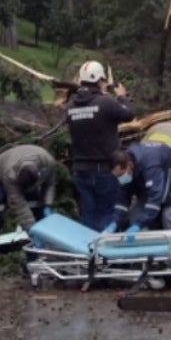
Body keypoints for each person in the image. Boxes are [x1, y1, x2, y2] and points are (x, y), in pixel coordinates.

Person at [65, 59, 134, 230]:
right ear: (99, 80)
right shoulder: (105, 102)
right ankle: (103, 252)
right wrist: (121, 97)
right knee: (106, 212)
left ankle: (87, 251)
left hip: (80, 169)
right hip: (103, 168)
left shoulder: (70, 106)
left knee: (88, 212)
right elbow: (129, 114)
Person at [0, 144, 56, 289]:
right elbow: (21, 209)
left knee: (37, 214)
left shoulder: (48, 162)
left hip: (30, 177)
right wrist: (33, 232)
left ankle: (33, 264)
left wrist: (47, 204)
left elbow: (49, 184)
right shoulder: (10, 175)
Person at [107, 140, 171, 234]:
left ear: (130, 165)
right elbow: (122, 199)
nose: (120, 179)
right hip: (157, 175)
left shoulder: (150, 164)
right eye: (117, 176)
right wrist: (114, 222)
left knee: (168, 215)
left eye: (121, 175)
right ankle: (145, 244)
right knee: (135, 216)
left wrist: (139, 224)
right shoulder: (127, 165)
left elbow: (155, 199)